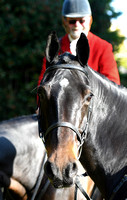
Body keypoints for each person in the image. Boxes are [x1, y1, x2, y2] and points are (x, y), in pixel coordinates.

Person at [38, 0, 120, 88]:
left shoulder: (103, 47)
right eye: (72, 21)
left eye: (81, 21)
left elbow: (112, 86)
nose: (77, 25)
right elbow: (43, 85)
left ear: (90, 20)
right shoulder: (54, 48)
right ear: (64, 21)